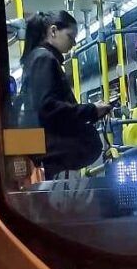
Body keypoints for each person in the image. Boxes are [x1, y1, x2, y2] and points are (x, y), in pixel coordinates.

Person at [15, 10, 112, 179]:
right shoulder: (44, 58)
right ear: (53, 31)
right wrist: (91, 110)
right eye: (70, 36)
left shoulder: (37, 59)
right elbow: (47, 108)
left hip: (47, 150)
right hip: (53, 152)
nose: (73, 43)